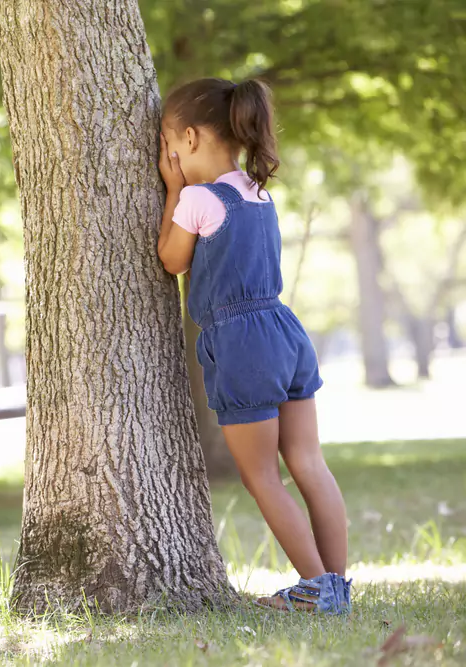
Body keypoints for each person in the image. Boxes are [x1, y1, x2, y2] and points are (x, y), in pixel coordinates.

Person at [156, 78, 351, 615]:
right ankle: (337, 583)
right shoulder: (258, 192)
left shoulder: (197, 198)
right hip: (284, 332)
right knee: (309, 462)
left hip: (241, 345)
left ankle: (316, 589)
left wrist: (172, 190)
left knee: (261, 475)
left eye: (167, 145)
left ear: (189, 139)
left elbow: (172, 260)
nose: (166, 157)